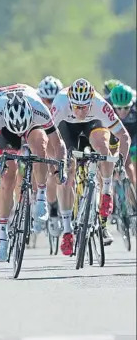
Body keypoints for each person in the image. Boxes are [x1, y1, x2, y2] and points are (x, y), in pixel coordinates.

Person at [0, 83, 67, 262]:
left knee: (40, 147)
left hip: (32, 124)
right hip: (7, 129)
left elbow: (58, 144)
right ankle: (2, 236)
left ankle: (41, 196)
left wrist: (61, 165)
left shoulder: (39, 109)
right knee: (7, 178)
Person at [51, 78, 131, 251]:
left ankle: (106, 194)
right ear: (71, 101)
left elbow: (124, 137)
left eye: (85, 106)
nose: (80, 111)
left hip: (93, 124)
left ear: (91, 101)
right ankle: (67, 232)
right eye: (77, 107)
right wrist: (56, 163)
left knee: (103, 147)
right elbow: (47, 138)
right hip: (67, 128)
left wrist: (120, 163)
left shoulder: (99, 104)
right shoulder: (60, 103)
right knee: (67, 171)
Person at [37, 76, 64, 236]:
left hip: (60, 136)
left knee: (61, 171)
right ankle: (51, 208)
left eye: (53, 99)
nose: (50, 103)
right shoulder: (36, 105)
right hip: (43, 136)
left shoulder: (63, 103)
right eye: (47, 99)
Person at [110, 84, 136, 187]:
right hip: (115, 133)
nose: (123, 111)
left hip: (133, 134)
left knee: (130, 167)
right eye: (119, 108)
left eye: (126, 107)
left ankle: (133, 198)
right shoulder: (107, 106)